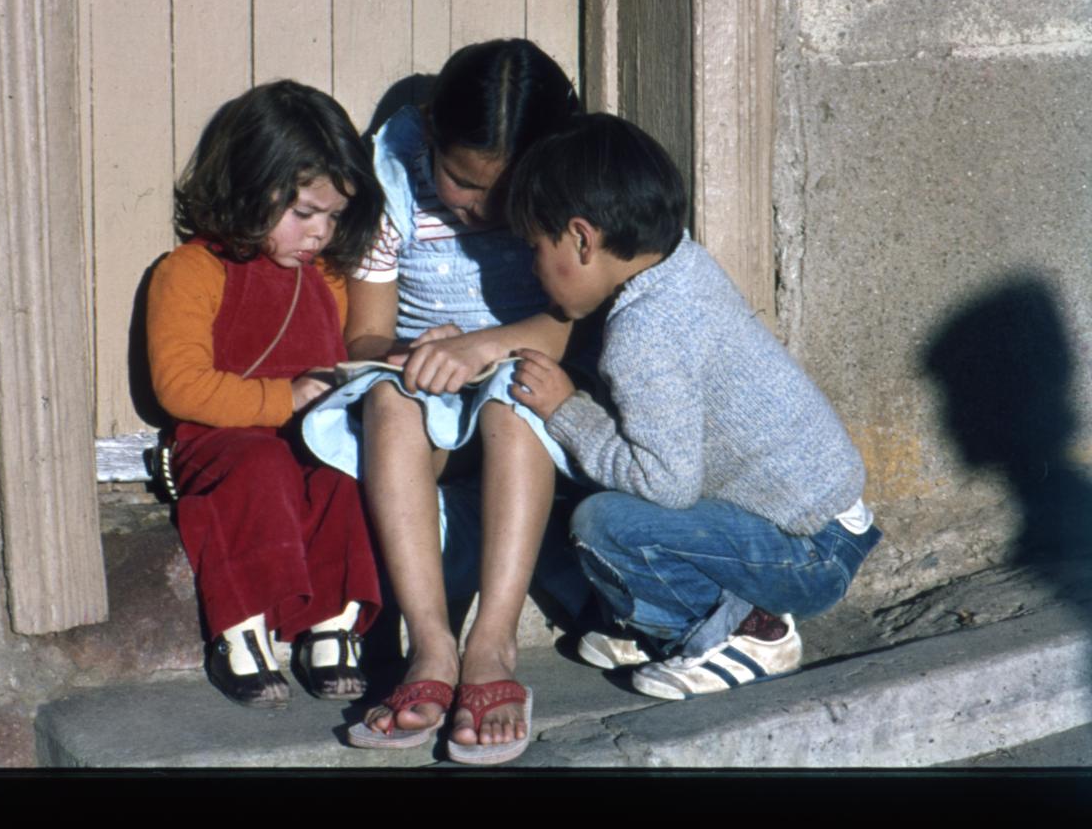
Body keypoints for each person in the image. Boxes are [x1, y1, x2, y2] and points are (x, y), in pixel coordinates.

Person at [506, 113, 881, 701]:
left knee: (603, 522)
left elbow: (665, 485)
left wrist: (565, 410)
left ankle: (742, 632)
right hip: (831, 525)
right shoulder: (684, 264)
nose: (533, 268)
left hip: (808, 553)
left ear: (581, 237)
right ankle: (662, 624)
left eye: (535, 248)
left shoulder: (644, 333)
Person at [322, 39, 585, 765]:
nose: (475, 208)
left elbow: (577, 321)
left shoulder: (570, 177)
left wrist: (485, 346)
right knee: (387, 403)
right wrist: (410, 359)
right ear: (432, 132)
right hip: (429, 390)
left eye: (501, 198)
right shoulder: (395, 171)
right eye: (462, 182)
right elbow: (368, 333)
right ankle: (431, 646)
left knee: (516, 394)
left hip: (521, 381)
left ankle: (491, 646)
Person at [146, 80, 385, 707]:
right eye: (305, 213)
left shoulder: (326, 279)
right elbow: (179, 386)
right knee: (261, 467)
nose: (320, 233)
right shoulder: (191, 272)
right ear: (249, 190)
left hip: (308, 436)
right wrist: (285, 400)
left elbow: (336, 361)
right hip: (218, 441)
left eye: (333, 216)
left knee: (345, 477)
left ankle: (332, 624)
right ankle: (242, 628)